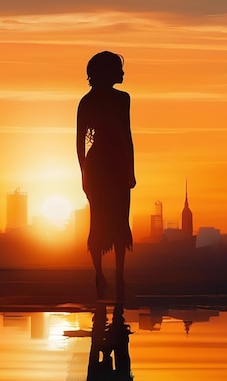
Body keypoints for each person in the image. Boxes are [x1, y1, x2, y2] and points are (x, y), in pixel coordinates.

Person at [76, 51, 135, 300]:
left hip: (100, 165)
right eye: (118, 69)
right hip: (111, 165)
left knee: (106, 220)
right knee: (115, 219)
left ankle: (105, 275)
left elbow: (80, 144)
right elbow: (126, 136)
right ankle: (112, 275)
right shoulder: (120, 100)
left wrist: (84, 173)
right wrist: (130, 169)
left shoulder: (88, 101)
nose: (122, 73)